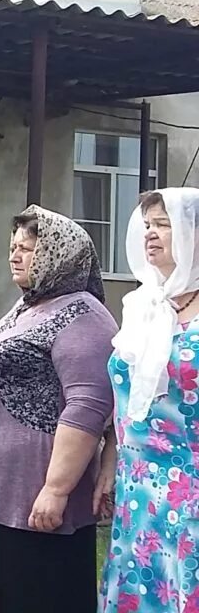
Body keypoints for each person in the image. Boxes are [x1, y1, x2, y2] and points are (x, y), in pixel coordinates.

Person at [0, 205, 116, 613]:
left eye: (28, 248)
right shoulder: (28, 307)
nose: (15, 255)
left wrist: (56, 489)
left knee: (33, 595)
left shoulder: (82, 313)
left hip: (34, 495)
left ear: (61, 254)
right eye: (13, 247)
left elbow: (89, 405)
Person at [101, 188, 199, 612]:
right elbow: (124, 403)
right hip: (138, 486)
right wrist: (110, 463)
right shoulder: (142, 305)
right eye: (147, 225)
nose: (151, 235)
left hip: (191, 487)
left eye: (163, 224)